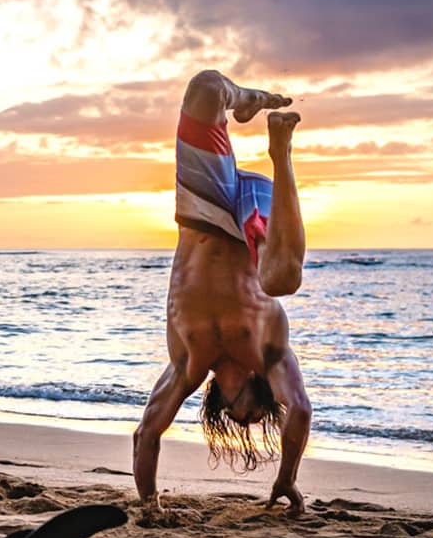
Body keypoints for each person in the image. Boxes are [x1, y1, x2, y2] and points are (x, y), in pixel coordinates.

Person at [132, 70, 311, 513]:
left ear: (220, 400)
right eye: (254, 418)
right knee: (281, 280)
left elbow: (146, 433)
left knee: (205, 88)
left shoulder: (190, 365)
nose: (245, 420)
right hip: (255, 223)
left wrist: (149, 502)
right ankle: (266, 126)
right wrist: (287, 479)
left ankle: (270, 136)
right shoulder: (267, 354)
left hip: (204, 212)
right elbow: (301, 411)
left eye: (237, 419)